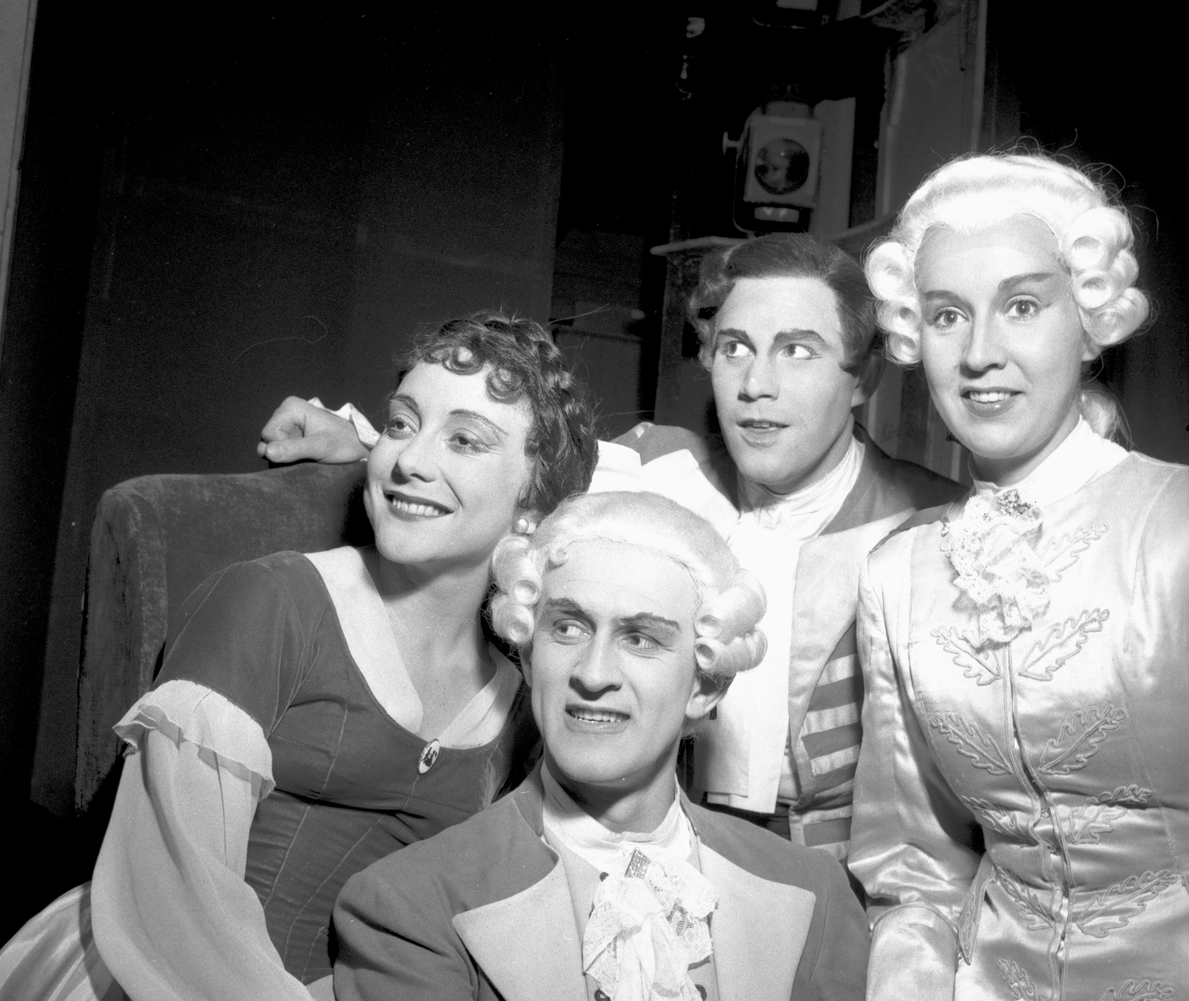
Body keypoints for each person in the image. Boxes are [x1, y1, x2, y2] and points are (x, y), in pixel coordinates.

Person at [15, 313, 598, 1001]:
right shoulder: (270, 601)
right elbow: (175, 889)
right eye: (399, 424)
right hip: (179, 985)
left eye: (464, 440)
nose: (409, 460)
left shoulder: (525, 693)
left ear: (533, 503)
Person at [259, 234, 963, 860]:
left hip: (843, 871)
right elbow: (504, 473)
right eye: (734, 348)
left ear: (864, 378)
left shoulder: (930, 527)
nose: (756, 386)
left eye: (798, 351)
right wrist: (359, 442)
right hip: (638, 844)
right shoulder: (654, 469)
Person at [331, 490, 933, 1001]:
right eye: (567, 627)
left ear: (704, 685)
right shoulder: (404, 908)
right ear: (527, 651)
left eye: (641, 638)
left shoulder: (811, 890)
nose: (593, 673)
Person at [805, 153, 1187, 1001]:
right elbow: (914, 867)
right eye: (945, 315)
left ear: (1089, 320)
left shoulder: (1175, 527)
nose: (979, 353)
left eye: (1021, 306)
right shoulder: (898, 574)